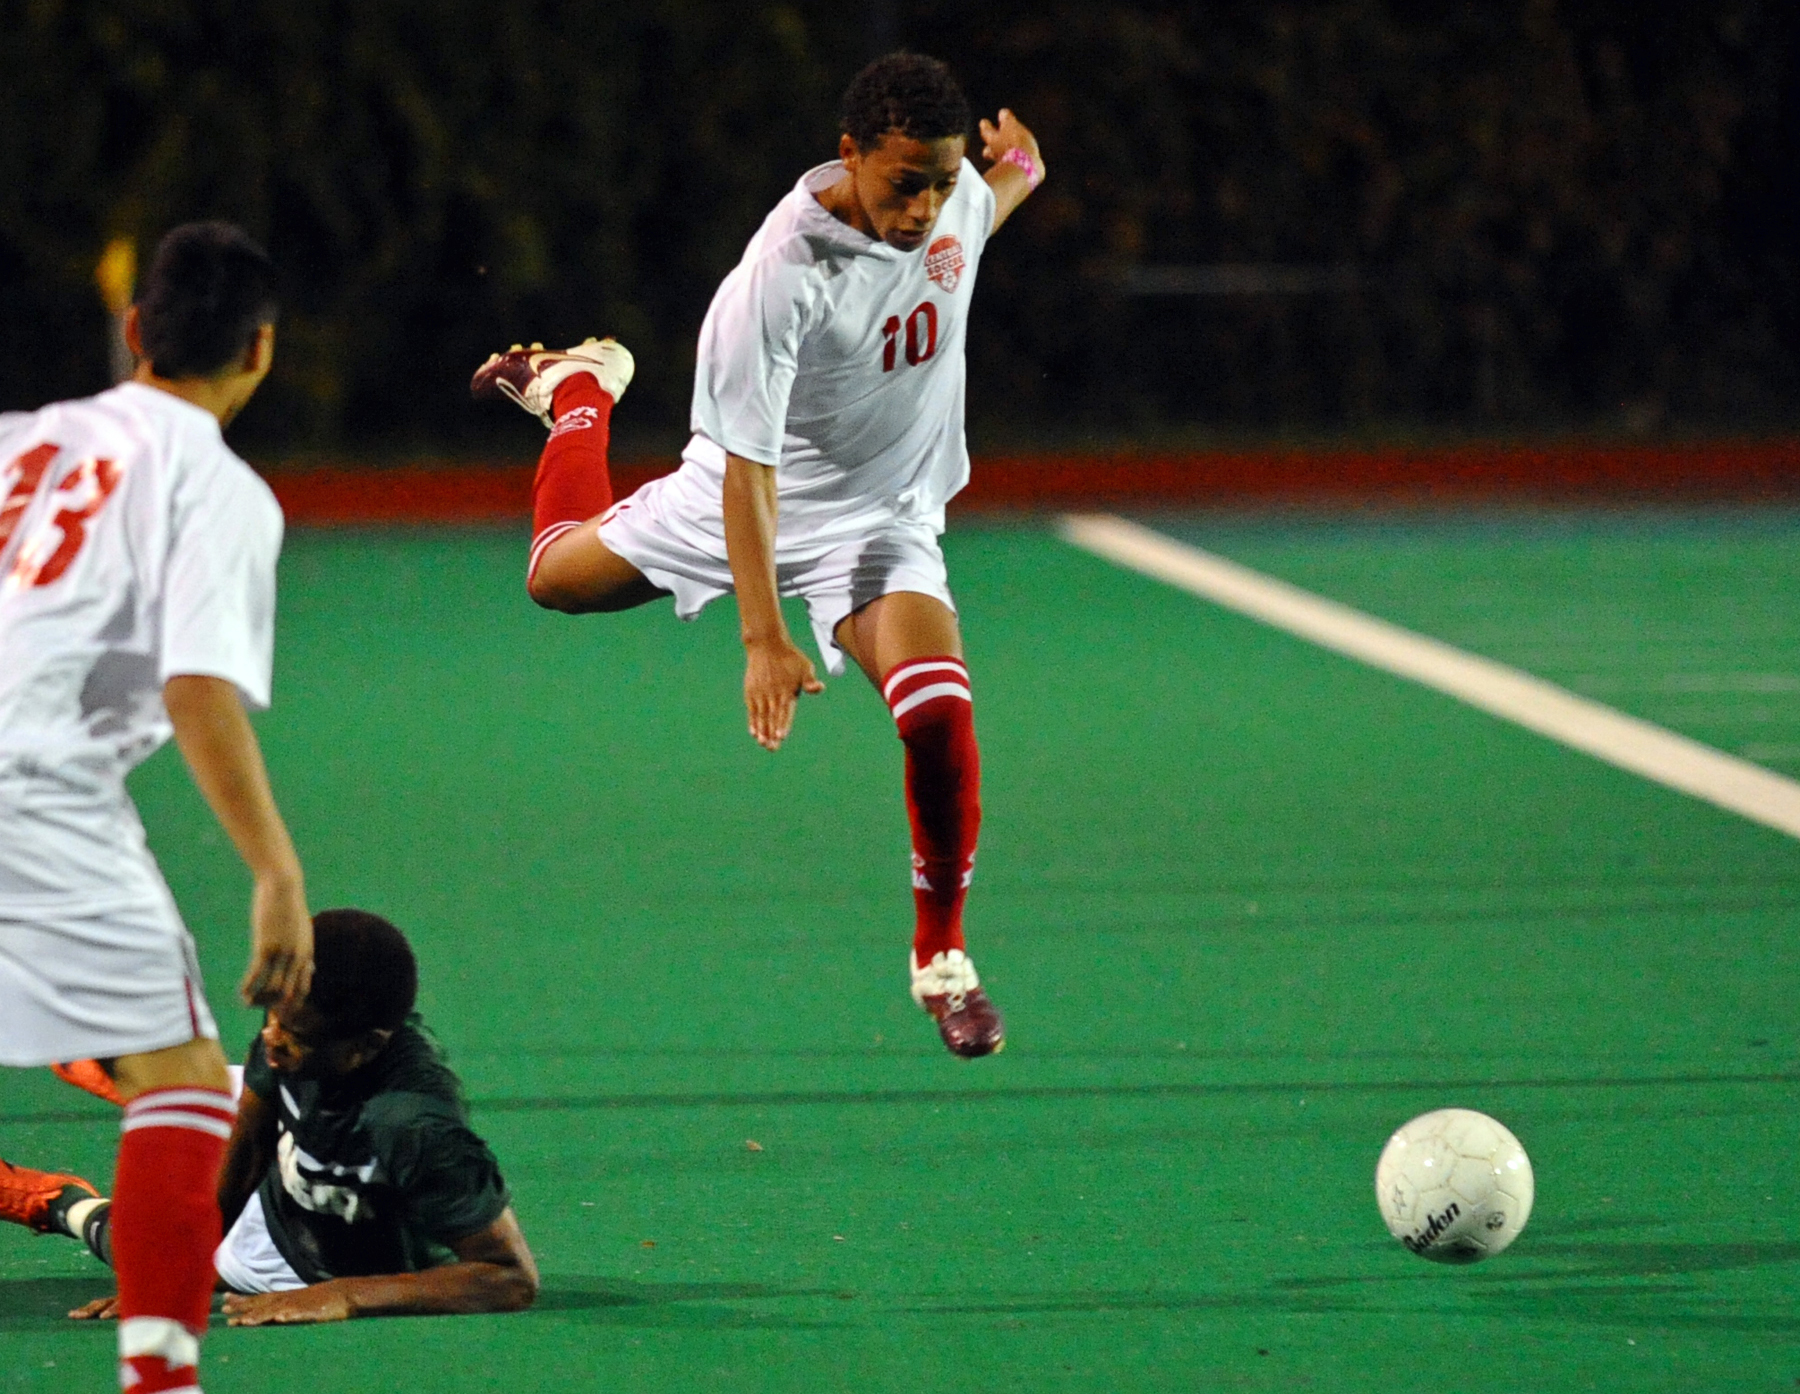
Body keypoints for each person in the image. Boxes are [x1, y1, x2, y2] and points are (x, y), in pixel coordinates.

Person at [471, 52, 1044, 1059]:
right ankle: (579, 393)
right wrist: (763, 637)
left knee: (939, 713)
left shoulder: (951, 199)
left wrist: (1021, 166)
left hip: (881, 520)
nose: (922, 209)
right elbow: (749, 474)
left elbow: (994, 196)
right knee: (555, 578)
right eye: (903, 183)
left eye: (941, 182)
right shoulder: (779, 278)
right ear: (850, 154)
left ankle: (942, 956)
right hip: (743, 492)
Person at [0, 222, 313, 1394]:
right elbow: (196, 686)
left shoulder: (23, 439)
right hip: (35, 794)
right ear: (261, 350)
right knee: (182, 1085)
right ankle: (161, 1380)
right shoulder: (218, 488)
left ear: (135, 329)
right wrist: (275, 870)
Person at [0, 908, 538, 1325]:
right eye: (271, 1018)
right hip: (296, 1160)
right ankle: (144, 1085)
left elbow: (510, 1278)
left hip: (297, 1256)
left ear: (367, 1046)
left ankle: (58, 1201)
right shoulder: (293, 1035)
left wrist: (344, 1294)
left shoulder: (412, 1126)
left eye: (293, 1033)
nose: (270, 1040)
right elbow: (250, 1146)